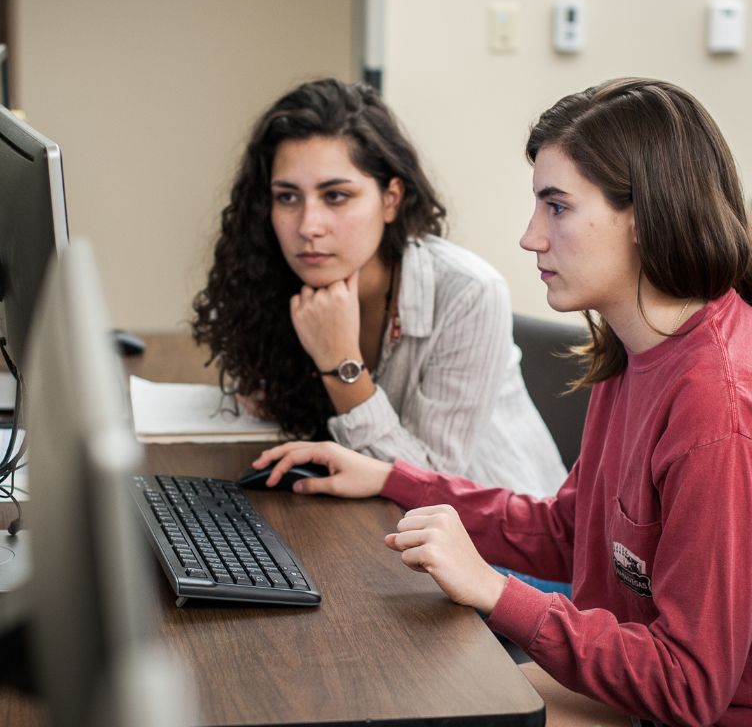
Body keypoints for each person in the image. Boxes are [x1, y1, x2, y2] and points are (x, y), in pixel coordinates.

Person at [250, 78, 752, 726]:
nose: (530, 236)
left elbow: (689, 688)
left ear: (645, 217)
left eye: (557, 207)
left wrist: (492, 589)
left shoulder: (719, 406)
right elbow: (569, 534)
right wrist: (392, 478)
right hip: (630, 685)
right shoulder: (633, 346)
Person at [193, 78, 565, 496]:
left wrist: (339, 364)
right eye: (287, 198)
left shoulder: (469, 291)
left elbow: (430, 480)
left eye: (335, 196)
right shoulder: (284, 277)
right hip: (376, 524)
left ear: (390, 199)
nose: (307, 226)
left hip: (499, 540)